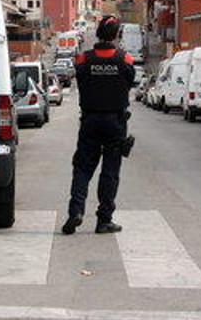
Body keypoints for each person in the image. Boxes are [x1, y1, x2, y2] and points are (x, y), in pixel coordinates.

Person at [63, 15, 135, 235]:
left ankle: (75, 212)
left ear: (98, 34)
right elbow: (130, 81)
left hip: (90, 121)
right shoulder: (126, 60)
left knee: (83, 168)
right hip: (115, 122)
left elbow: (81, 79)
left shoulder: (83, 59)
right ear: (115, 35)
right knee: (110, 172)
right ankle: (104, 219)